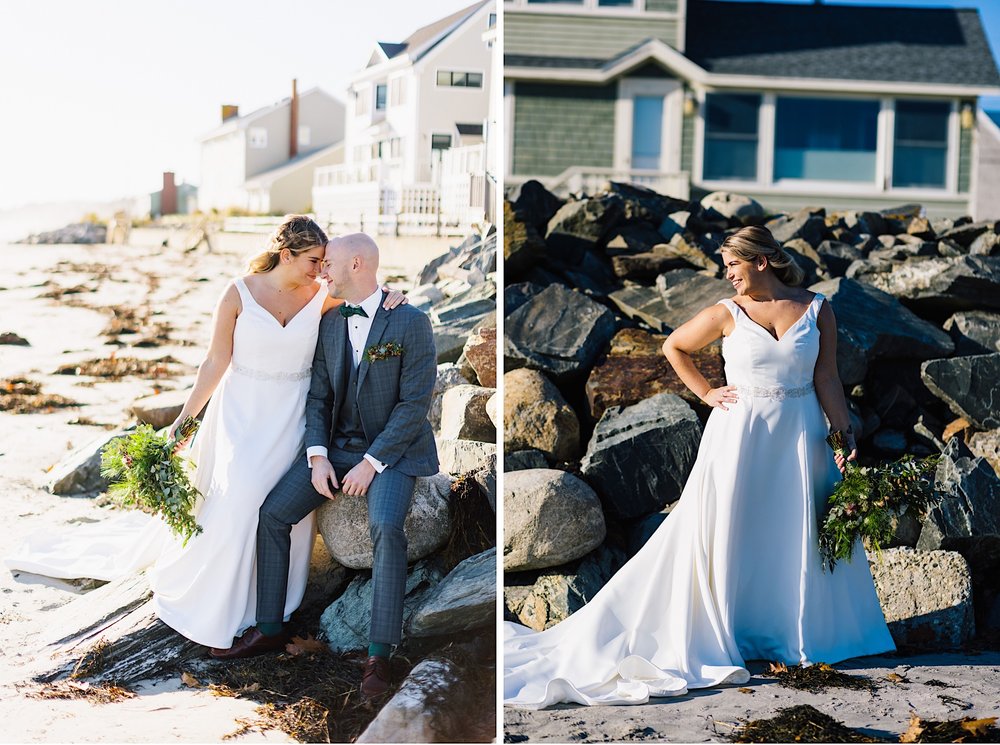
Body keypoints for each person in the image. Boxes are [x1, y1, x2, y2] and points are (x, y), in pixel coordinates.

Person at [503, 225, 894, 709]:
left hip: (802, 438)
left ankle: (792, 635)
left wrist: (842, 432)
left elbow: (827, 377)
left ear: (761, 261)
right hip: (740, 437)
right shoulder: (726, 313)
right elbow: (675, 347)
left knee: (797, 531)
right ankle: (734, 632)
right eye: (725, 266)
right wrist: (707, 393)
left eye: (733, 264)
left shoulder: (817, 308)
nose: (727, 274)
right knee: (732, 530)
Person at [4, 215, 408, 651]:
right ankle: (221, 607)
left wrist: (393, 295)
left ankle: (268, 613)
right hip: (240, 413)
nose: (321, 268)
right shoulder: (238, 293)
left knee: (281, 514)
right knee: (236, 502)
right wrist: (184, 421)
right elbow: (215, 363)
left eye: (326, 262)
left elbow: (365, 299)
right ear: (287, 255)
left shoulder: (321, 297)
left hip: (294, 418)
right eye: (313, 260)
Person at [208, 233, 439, 702]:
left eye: (328, 263)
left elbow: (415, 404)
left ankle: (380, 654)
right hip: (335, 450)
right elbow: (318, 396)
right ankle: (270, 626)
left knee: (387, 528)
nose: (321, 272)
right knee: (273, 514)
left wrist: (372, 464)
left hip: (392, 453)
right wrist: (317, 456)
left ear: (356, 264)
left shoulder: (410, 322)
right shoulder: (330, 320)